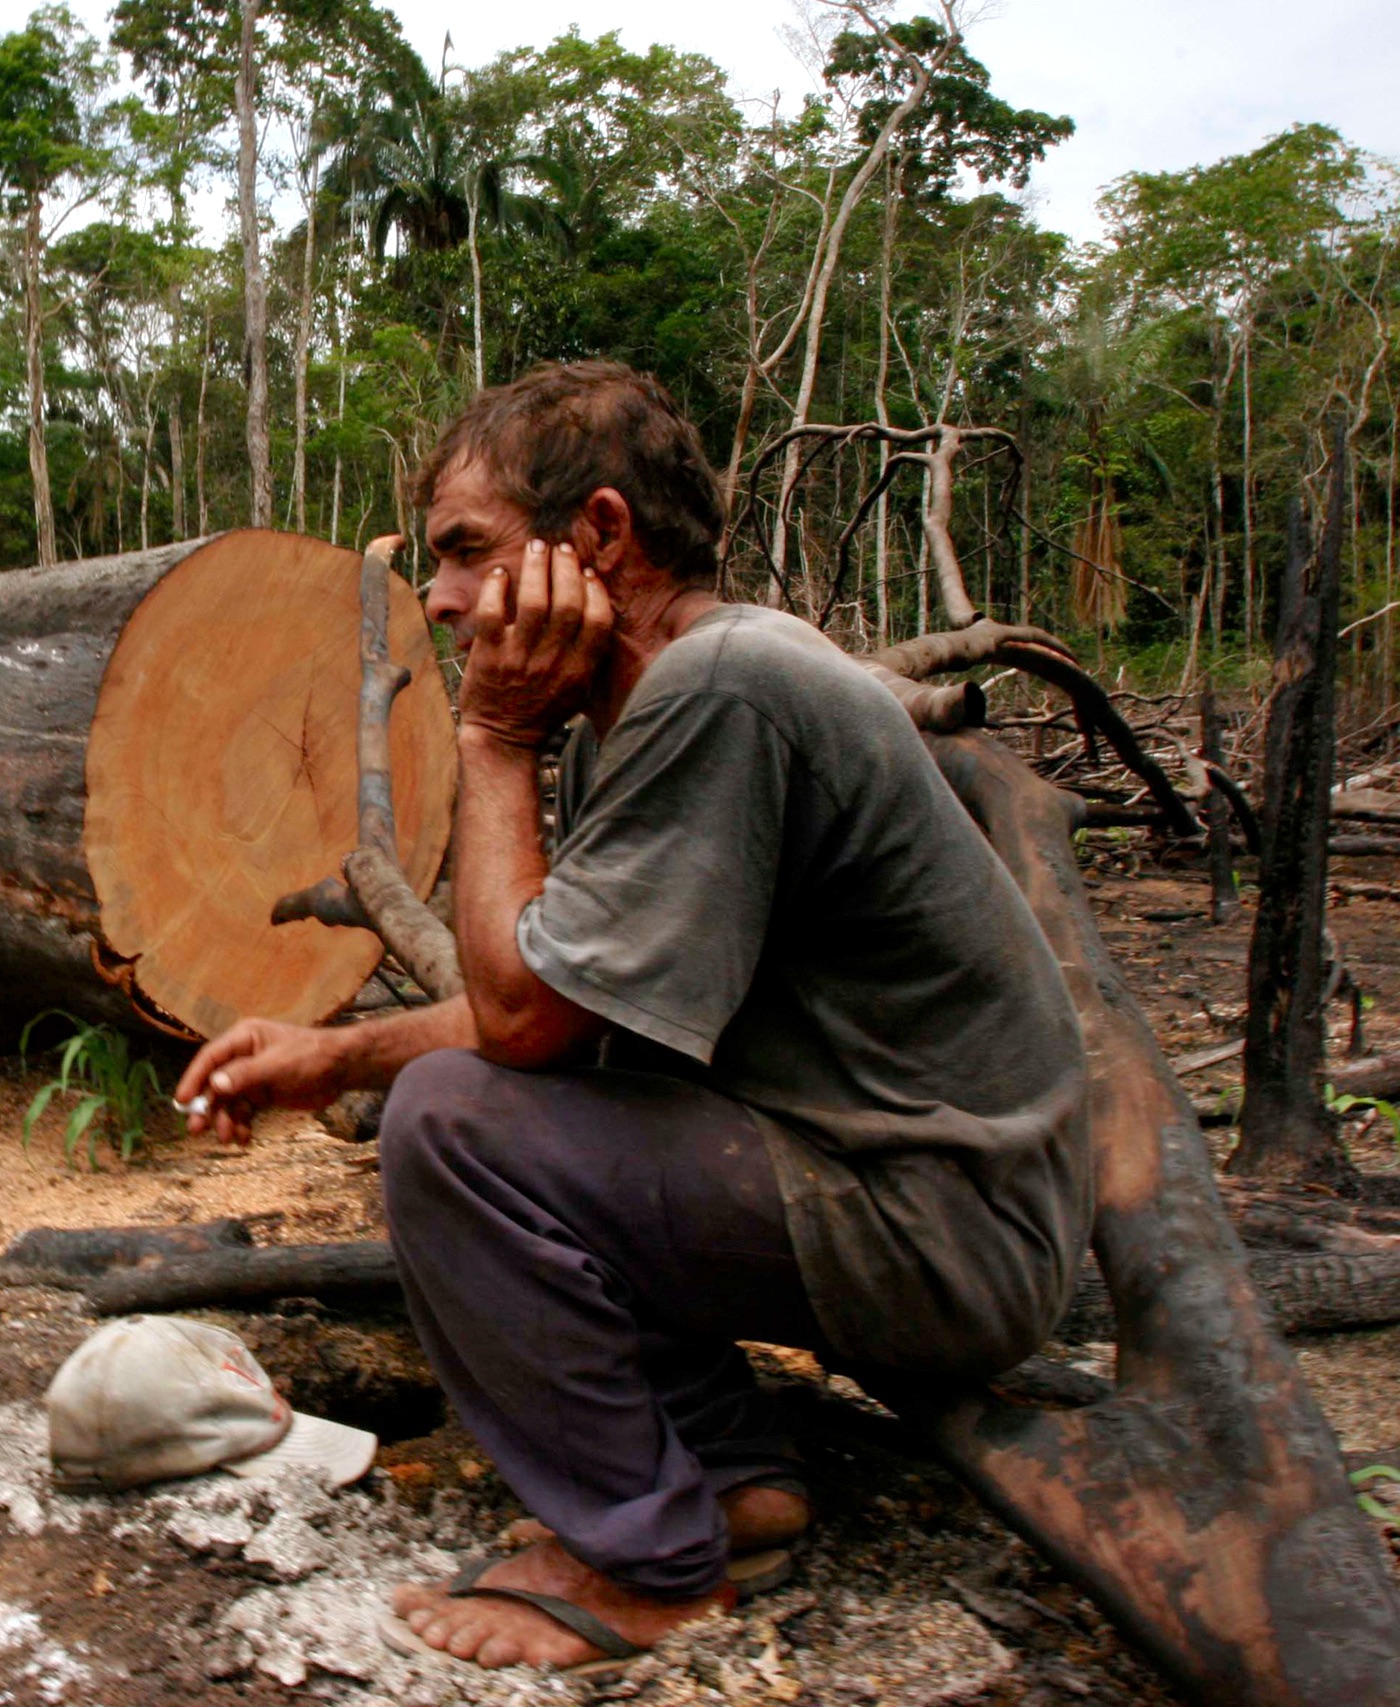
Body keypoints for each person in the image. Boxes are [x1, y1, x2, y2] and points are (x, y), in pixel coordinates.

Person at [173, 360, 1091, 1675]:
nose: (438, 600)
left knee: (451, 1128)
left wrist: (493, 740)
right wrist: (333, 1056)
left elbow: (523, 1025)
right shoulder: (647, 710)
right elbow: (580, 1016)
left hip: (947, 1229)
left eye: (468, 551)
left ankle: (650, 1564)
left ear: (599, 536)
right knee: (483, 1105)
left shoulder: (726, 689)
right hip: (904, 1193)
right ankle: (730, 1478)